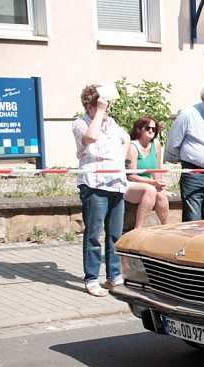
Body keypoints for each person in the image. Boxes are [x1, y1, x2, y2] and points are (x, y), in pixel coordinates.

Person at [72, 84, 129, 297]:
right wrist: (99, 113)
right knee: (94, 234)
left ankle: (114, 276)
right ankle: (91, 278)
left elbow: (126, 138)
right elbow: (91, 138)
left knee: (115, 234)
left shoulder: (112, 123)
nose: (106, 108)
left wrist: (122, 158)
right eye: (101, 104)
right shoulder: (80, 124)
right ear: (89, 105)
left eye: (107, 104)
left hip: (115, 183)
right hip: (94, 183)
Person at [165, 82, 204, 221]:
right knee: (192, 220)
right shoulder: (188, 115)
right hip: (194, 174)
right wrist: (189, 159)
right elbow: (173, 144)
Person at [125, 115, 169, 229]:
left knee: (160, 193)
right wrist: (153, 183)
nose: (151, 131)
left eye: (154, 129)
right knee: (150, 190)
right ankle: (138, 228)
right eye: (148, 128)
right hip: (131, 184)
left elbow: (157, 169)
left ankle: (166, 227)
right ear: (140, 129)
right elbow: (131, 176)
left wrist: (158, 183)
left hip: (149, 183)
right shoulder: (132, 147)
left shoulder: (156, 144)